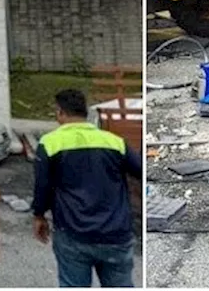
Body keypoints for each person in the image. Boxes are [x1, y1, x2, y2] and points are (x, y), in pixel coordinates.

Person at [33, 89, 142, 287]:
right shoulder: (115, 142)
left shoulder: (49, 143)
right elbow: (141, 171)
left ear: (60, 112)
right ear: (85, 112)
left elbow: (42, 187)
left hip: (73, 234)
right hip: (115, 234)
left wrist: (39, 216)